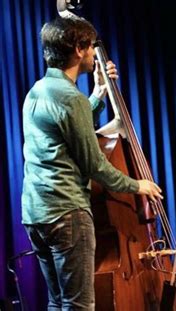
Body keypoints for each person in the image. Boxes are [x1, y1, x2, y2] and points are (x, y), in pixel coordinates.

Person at [21, 17, 162, 310]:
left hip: (36, 213)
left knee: (57, 302)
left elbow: (72, 126)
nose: (92, 55)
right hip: (67, 213)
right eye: (89, 48)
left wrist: (98, 91)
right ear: (78, 48)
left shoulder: (37, 90)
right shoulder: (70, 98)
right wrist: (138, 185)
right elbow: (95, 166)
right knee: (79, 305)